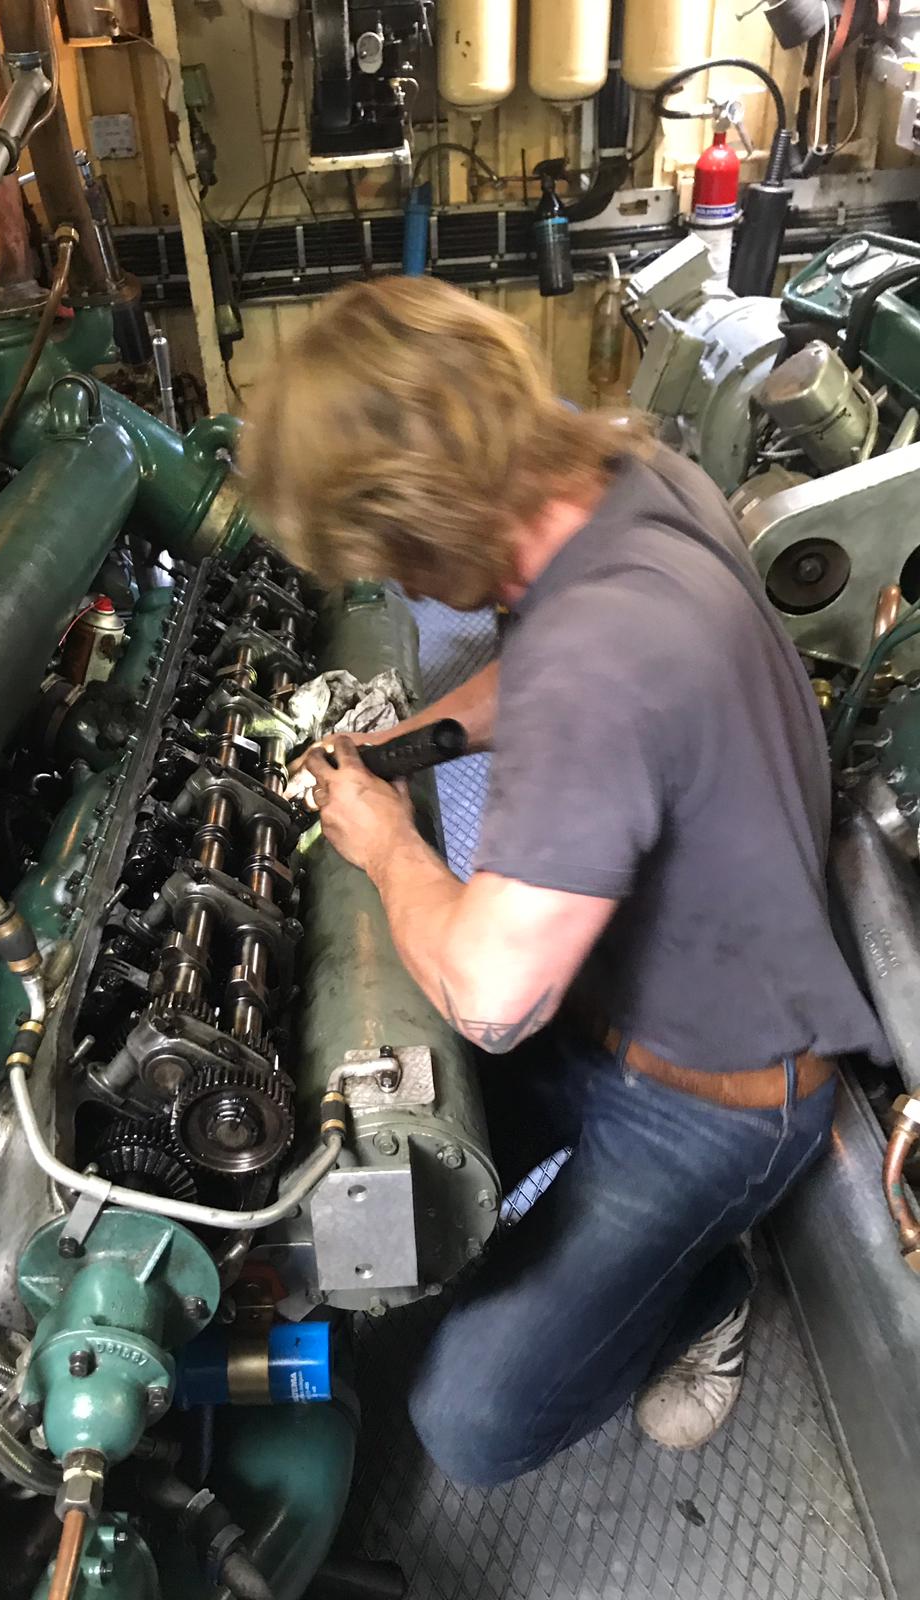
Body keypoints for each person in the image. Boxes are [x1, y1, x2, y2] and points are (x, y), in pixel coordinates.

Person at [240, 276, 886, 1486]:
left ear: (423, 527)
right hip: (609, 999)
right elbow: (534, 672)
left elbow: (492, 1000)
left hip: (715, 1099)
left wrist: (386, 840)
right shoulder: (627, 483)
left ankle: (707, 1289)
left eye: (387, 559)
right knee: (345, 1152)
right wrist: (403, 746)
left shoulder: (604, 653)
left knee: (470, 1422)